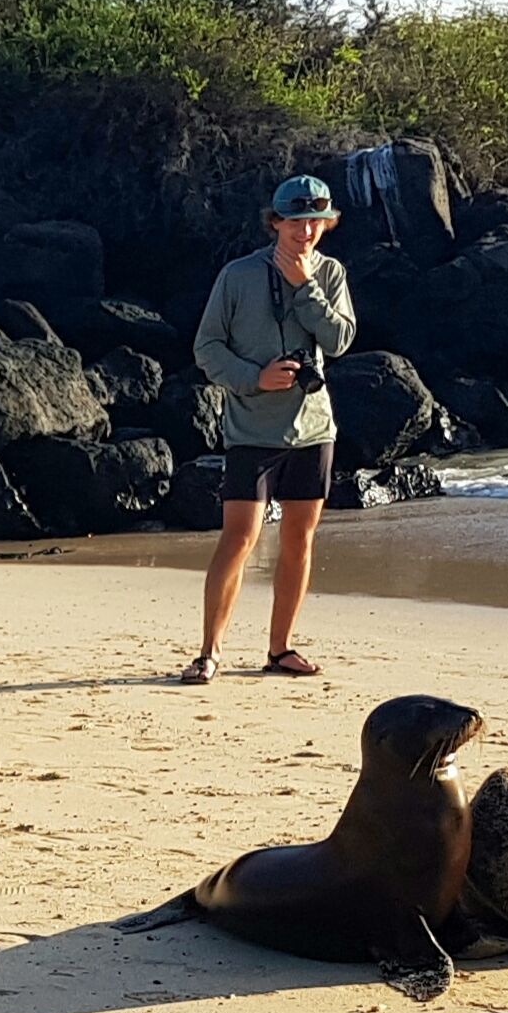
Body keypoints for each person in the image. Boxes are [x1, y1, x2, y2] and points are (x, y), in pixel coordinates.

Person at [184, 175, 356, 684]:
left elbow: (339, 340)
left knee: (300, 540)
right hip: (250, 429)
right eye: (296, 221)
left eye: (315, 222)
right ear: (276, 222)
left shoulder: (331, 273)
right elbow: (206, 348)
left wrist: (306, 289)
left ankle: (280, 649)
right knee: (239, 538)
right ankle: (209, 652)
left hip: (313, 428)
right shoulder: (237, 276)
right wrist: (254, 378)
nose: (306, 231)